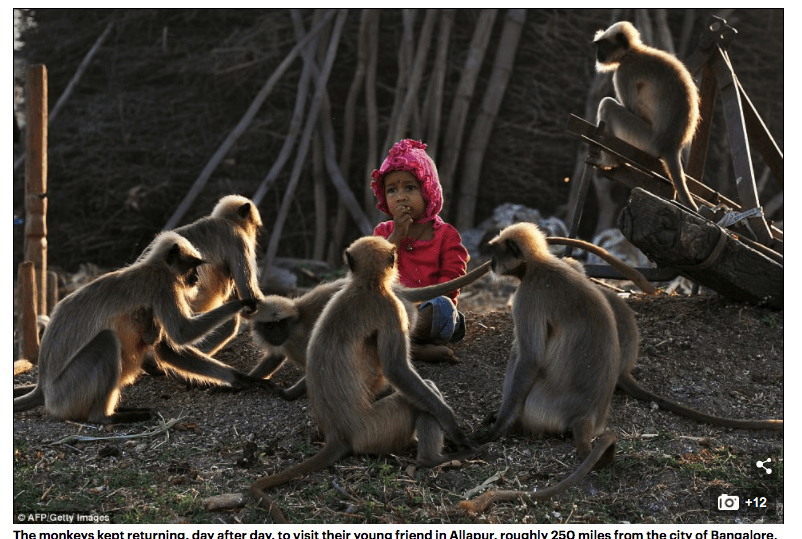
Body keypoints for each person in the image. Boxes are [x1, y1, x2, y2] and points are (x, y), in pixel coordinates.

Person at [371, 139, 469, 363]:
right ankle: (414, 350)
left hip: (427, 311)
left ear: (428, 191)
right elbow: (374, 272)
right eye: (392, 190)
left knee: (443, 308)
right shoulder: (383, 232)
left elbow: (452, 281)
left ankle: (395, 346)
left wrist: (417, 309)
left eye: (410, 188)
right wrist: (396, 237)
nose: (401, 196)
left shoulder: (446, 235)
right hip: (390, 312)